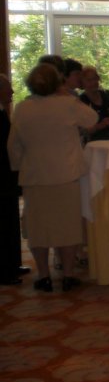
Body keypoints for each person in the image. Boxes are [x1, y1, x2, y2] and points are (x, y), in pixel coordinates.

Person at [8, 63, 98, 292]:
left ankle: (44, 275)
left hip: (35, 175)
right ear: (57, 83)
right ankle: (68, 274)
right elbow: (92, 118)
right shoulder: (68, 104)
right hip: (66, 174)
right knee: (67, 227)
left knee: (38, 229)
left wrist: (18, 166)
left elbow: (14, 146)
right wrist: (66, 95)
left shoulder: (22, 108)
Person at [0, 74, 30, 285]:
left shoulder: (3, 110)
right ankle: (5, 270)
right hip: (2, 175)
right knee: (3, 222)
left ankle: (13, 264)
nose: (11, 91)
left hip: (7, 175)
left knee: (11, 220)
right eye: (7, 88)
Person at [79, 66, 109, 141]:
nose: (93, 82)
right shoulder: (81, 101)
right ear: (82, 83)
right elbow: (81, 132)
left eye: (95, 78)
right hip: (93, 144)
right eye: (89, 80)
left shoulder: (108, 95)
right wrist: (101, 125)